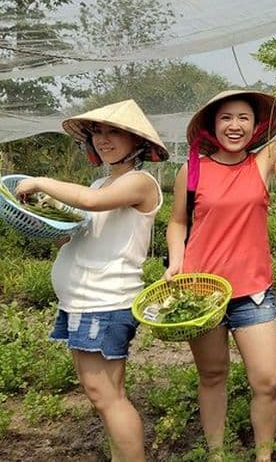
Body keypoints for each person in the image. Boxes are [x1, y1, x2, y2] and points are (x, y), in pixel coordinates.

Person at [164, 63, 276, 461]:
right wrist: (175, 262)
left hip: (253, 292)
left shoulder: (262, 162)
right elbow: (178, 222)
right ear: (212, 126)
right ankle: (217, 455)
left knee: (267, 381)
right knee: (213, 375)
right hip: (201, 293)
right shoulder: (191, 169)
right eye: (226, 118)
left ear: (255, 126)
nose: (235, 125)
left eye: (243, 118)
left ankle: (263, 456)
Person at [15, 99, 168, 462]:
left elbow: (90, 202)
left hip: (103, 302)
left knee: (105, 397)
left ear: (137, 141)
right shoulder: (103, 181)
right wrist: (54, 228)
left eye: (114, 131)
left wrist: (39, 181)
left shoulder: (140, 183)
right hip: (87, 302)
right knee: (109, 394)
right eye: (97, 132)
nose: (104, 139)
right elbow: (84, 229)